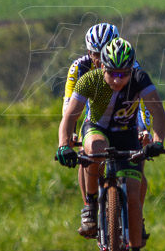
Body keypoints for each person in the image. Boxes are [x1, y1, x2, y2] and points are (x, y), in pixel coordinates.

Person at [56, 37, 165, 251]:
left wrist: (157, 141)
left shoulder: (139, 79)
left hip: (127, 134)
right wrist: (64, 145)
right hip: (97, 128)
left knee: (135, 192)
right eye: (113, 73)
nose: (118, 80)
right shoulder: (90, 81)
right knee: (94, 149)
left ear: (131, 70)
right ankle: (92, 204)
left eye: (124, 74)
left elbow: (158, 112)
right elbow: (69, 117)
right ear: (102, 68)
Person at [61, 23, 153, 239]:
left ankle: (136, 217)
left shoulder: (132, 68)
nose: (99, 58)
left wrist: (144, 129)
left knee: (138, 168)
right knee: (89, 154)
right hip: (95, 120)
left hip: (127, 120)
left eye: (103, 52)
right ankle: (89, 206)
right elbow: (69, 105)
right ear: (88, 52)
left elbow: (143, 104)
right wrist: (70, 135)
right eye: (94, 53)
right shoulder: (80, 68)